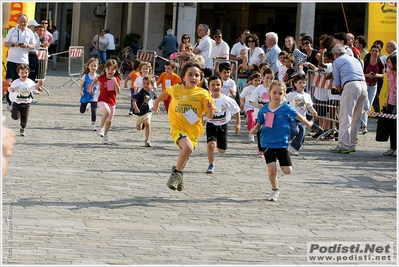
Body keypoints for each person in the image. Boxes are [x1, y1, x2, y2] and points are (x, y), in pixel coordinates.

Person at [153, 56, 215, 191]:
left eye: (197, 75)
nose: (193, 77)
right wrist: (156, 103)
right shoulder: (176, 89)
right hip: (177, 127)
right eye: (190, 74)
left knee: (186, 152)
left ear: (201, 79)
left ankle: (178, 173)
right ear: (183, 76)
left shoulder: (203, 93)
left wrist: (210, 109)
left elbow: (209, 116)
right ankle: (177, 174)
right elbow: (165, 92)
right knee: (187, 149)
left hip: (194, 130)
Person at [249, 81, 313, 201]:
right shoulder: (264, 109)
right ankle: (274, 190)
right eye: (274, 92)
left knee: (287, 171)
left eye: (280, 93)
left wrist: (309, 123)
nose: (277, 95)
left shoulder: (286, 108)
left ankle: (280, 157)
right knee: (272, 169)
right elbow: (259, 124)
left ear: (284, 95)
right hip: (267, 142)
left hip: (282, 143)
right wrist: (254, 129)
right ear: (269, 93)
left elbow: (300, 117)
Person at [329, 44, 367, 154]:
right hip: (363, 85)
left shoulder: (337, 61)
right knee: (356, 118)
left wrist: (341, 92)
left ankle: (343, 145)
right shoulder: (355, 59)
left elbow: (336, 82)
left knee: (345, 117)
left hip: (350, 86)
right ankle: (351, 144)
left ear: (335, 54)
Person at [205, 75, 241, 173]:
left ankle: (219, 144)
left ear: (221, 87)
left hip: (223, 125)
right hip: (211, 124)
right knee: (211, 145)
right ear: (209, 87)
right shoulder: (206, 99)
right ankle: (211, 164)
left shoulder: (226, 100)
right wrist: (202, 119)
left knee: (222, 150)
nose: (215, 87)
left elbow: (237, 111)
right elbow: (201, 110)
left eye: (218, 85)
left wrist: (238, 124)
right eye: (213, 85)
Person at [4, 14, 36, 110]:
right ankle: (10, 102)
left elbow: (34, 46)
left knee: (23, 81)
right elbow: (6, 43)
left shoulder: (30, 32)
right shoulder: (12, 30)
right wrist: (14, 44)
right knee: (11, 81)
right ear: (18, 21)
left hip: (24, 61)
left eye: (24, 21)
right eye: (21, 21)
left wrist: (27, 45)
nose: (23, 23)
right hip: (12, 60)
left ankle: (23, 100)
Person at [89, 59, 122, 144]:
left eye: (112, 69)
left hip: (112, 102)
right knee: (107, 111)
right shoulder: (102, 77)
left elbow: (118, 92)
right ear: (105, 69)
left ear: (116, 70)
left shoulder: (116, 79)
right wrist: (91, 88)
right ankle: (101, 128)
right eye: (108, 69)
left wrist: (115, 83)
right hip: (102, 100)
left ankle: (105, 134)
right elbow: (95, 80)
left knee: (109, 120)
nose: (110, 71)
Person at [285, 74, 317, 156]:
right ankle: (285, 141)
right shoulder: (292, 94)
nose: (302, 84)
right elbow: (284, 101)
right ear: (295, 84)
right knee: (294, 130)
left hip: (303, 118)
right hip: (293, 117)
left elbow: (309, 106)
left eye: (304, 82)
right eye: (300, 82)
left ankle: (293, 148)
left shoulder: (307, 95)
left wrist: (313, 112)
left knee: (302, 134)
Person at [7, 64, 43, 137]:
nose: (24, 74)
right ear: (18, 73)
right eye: (22, 73)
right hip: (17, 103)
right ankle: (13, 111)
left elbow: (34, 87)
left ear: (28, 73)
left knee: (25, 118)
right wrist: (12, 89)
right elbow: (10, 88)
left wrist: (39, 84)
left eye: (26, 73)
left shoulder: (30, 82)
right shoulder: (16, 82)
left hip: (26, 104)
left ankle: (22, 129)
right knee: (15, 117)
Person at [248, 68, 274, 157]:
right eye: (267, 78)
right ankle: (261, 149)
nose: (269, 80)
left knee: (269, 130)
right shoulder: (259, 88)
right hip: (259, 113)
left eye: (271, 78)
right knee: (260, 131)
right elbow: (252, 100)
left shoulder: (274, 88)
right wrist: (257, 105)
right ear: (263, 77)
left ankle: (268, 148)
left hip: (270, 113)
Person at [360, 44, 385, 134]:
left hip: (374, 86)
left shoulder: (380, 62)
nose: (374, 53)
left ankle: (361, 120)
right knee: (366, 106)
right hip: (365, 85)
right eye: (373, 51)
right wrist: (368, 75)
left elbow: (383, 74)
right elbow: (359, 73)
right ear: (370, 52)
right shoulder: (365, 61)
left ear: (379, 53)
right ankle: (364, 126)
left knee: (368, 106)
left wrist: (377, 75)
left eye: (376, 51)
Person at [132, 75, 158, 147]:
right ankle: (142, 123)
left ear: (152, 85)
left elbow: (156, 100)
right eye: (144, 83)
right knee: (138, 128)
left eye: (147, 83)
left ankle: (147, 140)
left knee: (148, 123)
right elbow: (134, 101)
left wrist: (157, 107)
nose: (145, 85)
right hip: (139, 113)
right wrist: (136, 108)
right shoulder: (141, 92)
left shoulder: (152, 93)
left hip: (148, 111)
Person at [240, 72, 262, 142]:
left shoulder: (262, 88)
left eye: (259, 80)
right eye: (255, 80)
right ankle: (251, 134)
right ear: (252, 80)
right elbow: (241, 96)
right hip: (250, 107)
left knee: (258, 121)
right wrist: (242, 103)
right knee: (252, 119)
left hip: (258, 108)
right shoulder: (248, 88)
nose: (257, 82)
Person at [79, 57, 100, 131]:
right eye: (91, 65)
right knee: (82, 111)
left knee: (94, 111)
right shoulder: (85, 76)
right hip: (85, 95)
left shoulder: (98, 77)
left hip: (94, 96)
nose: (93, 67)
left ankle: (93, 124)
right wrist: (80, 91)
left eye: (95, 66)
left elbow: (100, 86)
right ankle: (87, 105)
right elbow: (81, 85)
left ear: (97, 67)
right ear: (88, 66)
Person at [382, 54, 397, 157]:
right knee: (391, 126)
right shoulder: (389, 73)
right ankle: (393, 147)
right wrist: (386, 102)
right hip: (391, 101)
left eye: (390, 62)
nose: (388, 64)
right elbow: (389, 88)